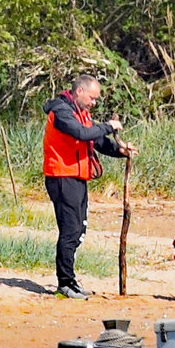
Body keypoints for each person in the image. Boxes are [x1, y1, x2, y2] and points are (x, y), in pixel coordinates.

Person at [43, 74, 137, 300]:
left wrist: (120, 151)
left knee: (79, 229)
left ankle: (70, 279)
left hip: (77, 177)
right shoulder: (61, 112)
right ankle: (64, 283)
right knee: (70, 230)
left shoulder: (81, 113)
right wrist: (108, 126)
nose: (94, 103)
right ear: (79, 92)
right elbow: (82, 133)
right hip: (62, 177)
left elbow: (95, 140)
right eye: (92, 98)